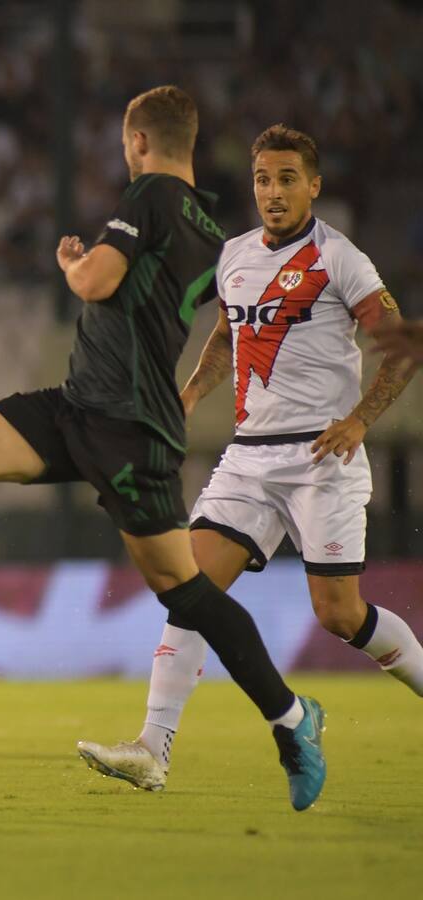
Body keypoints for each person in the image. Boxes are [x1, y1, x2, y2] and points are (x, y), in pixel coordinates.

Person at [0, 87, 327, 811]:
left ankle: (291, 723)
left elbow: (97, 280)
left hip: (127, 426)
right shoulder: (209, 228)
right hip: (81, 406)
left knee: (186, 591)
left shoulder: (153, 192)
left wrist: (74, 262)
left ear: (137, 141)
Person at [76, 124, 418, 792]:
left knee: (340, 614)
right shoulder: (234, 256)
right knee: (189, 589)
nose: (273, 192)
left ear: (314, 186)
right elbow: (230, 336)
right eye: (263, 178)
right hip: (249, 458)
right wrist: (191, 393)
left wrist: (358, 420)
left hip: (323, 456)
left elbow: (401, 346)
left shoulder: (340, 259)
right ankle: (153, 748)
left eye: (288, 178)